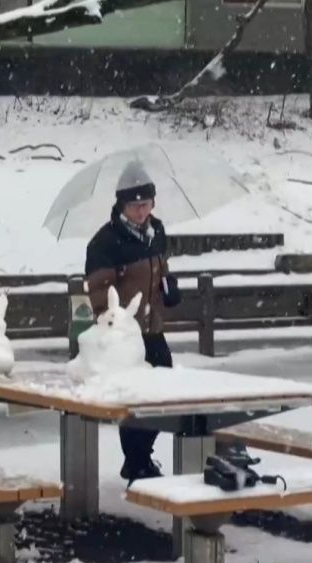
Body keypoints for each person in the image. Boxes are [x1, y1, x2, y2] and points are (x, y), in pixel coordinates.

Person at [84, 161, 181, 484]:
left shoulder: (158, 232)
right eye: (134, 206)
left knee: (165, 393)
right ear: (122, 206)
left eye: (146, 205)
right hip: (125, 336)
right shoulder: (106, 242)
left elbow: (160, 267)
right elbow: (98, 289)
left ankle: (141, 456)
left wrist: (169, 285)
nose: (141, 212)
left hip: (152, 328)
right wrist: (110, 318)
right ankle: (136, 461)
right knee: (135, 398)